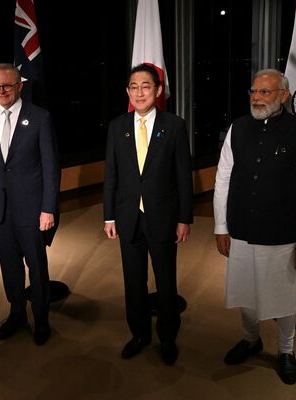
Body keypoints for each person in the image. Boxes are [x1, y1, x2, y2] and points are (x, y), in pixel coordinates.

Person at [213, 69, 296, 384]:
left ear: (284, 96)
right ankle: (251, 339)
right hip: (241, 229)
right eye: (254, 91)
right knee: (245, 289)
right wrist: (221, 226)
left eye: (265, 92)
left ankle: (286, 350)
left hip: (282, 234)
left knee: (283, 296)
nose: (257, 98)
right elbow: (222, 179)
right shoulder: (238, 128)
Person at [103, 63, 194, 365]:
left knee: (166, 283)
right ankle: (139, 334)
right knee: (133, 282)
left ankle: (167, 337)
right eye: (134, 87)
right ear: (127, 91)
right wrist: (109, 216)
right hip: (128, 218)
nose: (139, 92)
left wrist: (184, 218)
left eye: (146, 86)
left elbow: (183, 177)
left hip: (163, 218)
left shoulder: (175, 126)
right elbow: (111, 175)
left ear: (158, 90)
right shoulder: (117, 126)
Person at [0, 63, 60, 346]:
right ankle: (17, 313)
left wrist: (48, 208)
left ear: (19, 86)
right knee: (9, 266)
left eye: (7, 85)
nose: (1, 91)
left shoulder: (40, 117)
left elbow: (50, 167)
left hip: (32, 209)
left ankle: (42, 319)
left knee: (36, 266)